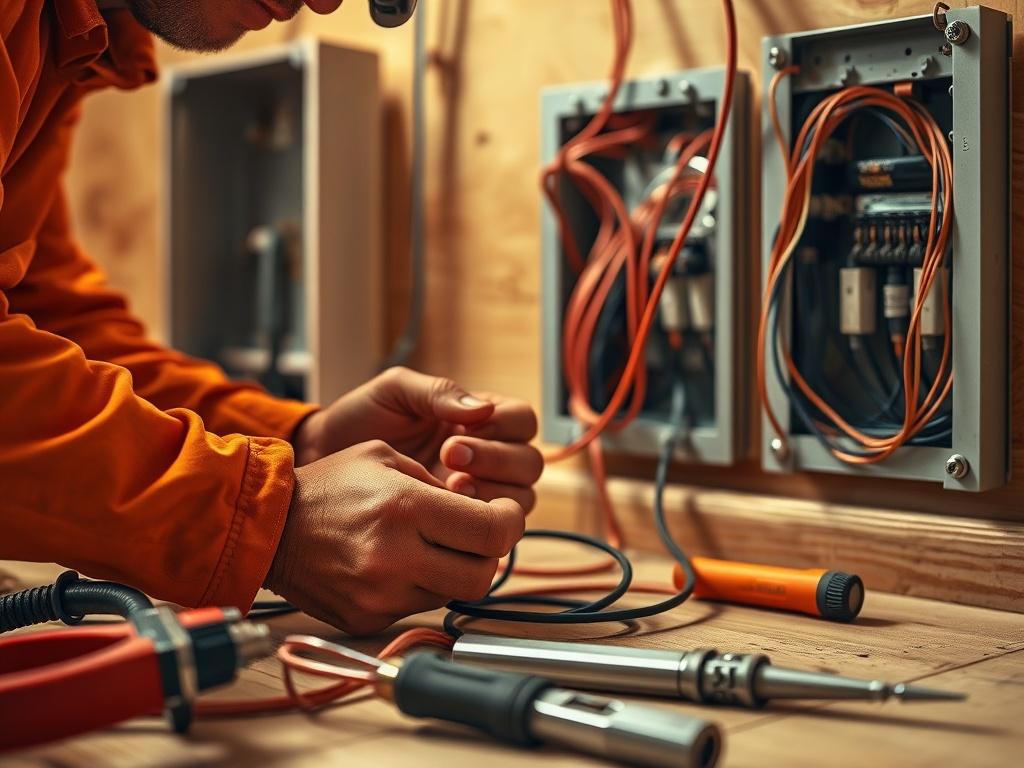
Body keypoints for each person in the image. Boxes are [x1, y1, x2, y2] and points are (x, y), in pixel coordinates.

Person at [0, 1, 543, 635]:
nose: (325, 2)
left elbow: (51, 322)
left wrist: (298, 442)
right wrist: (264, 517)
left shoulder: (62, 43)